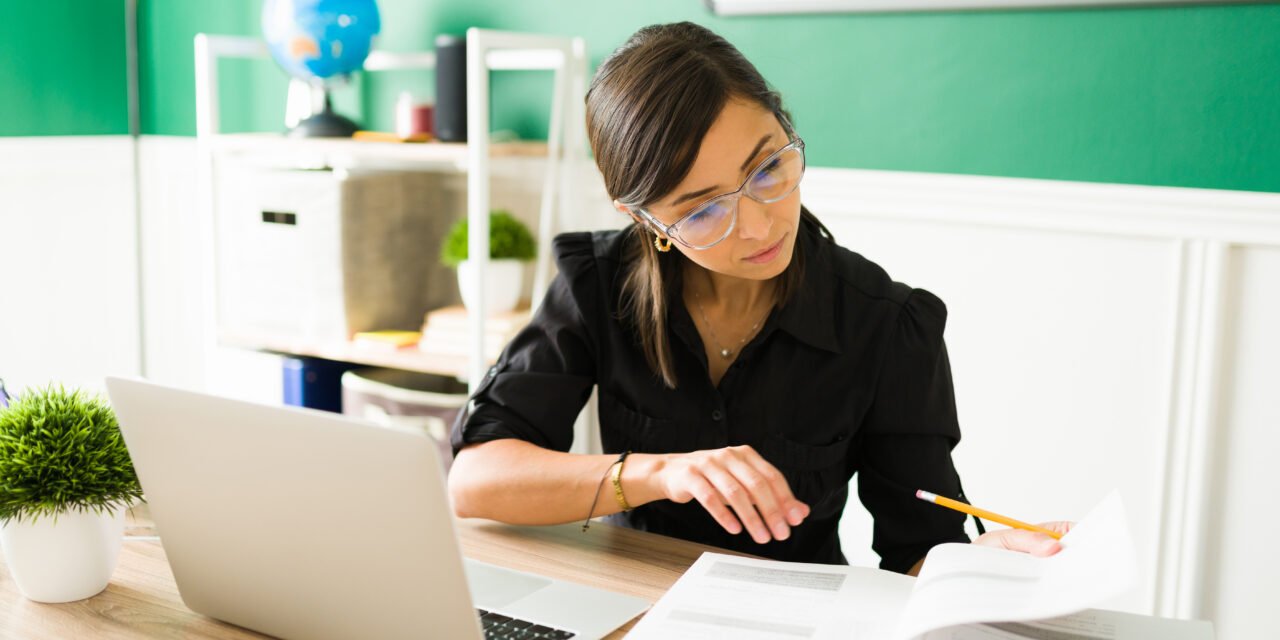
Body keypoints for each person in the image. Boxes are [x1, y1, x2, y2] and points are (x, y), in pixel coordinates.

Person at [448, 21, 1069, 575]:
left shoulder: (885, 323)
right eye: (702, 209)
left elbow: (918, 548)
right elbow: (475, 481)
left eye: (768, 168)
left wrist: (974, 568)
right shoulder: (596, 283)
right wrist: (655, 473)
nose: (758, 225)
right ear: (643, 220)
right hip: (630, 598)